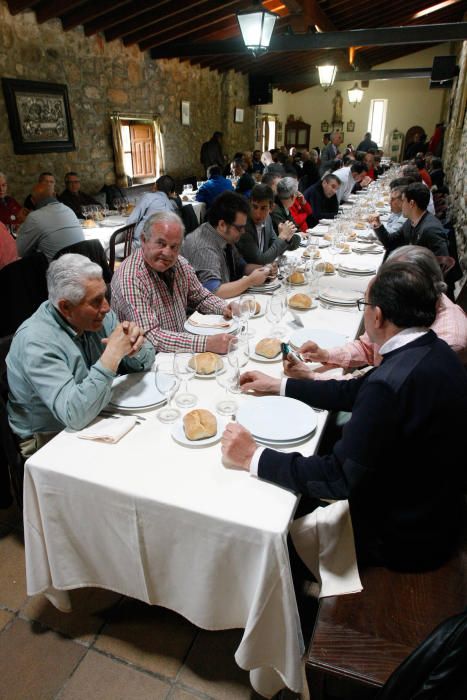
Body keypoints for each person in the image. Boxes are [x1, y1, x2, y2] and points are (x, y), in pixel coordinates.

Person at [221, 262, 467, 571]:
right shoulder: (431, 349)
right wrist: (280, 385)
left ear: (377, 316)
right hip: (436, 509)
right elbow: (354, 392)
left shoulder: (390, 383)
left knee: (270, 517)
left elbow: (336, 478)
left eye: (365, 305)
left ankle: (295, 595)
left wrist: (253, 456)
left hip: (405, 537)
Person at [6, 254, 154, 455]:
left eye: (105, 295)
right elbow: (73, 416)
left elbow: (146, 362)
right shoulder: (36, 341)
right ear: (66, 307)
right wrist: (111, 357)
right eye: (96, 301)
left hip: (96, 412)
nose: (107, 308)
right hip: (49, 437)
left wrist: (135, 348)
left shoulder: (99, 317)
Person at [282, 246, 467, 380]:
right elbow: (368, 348)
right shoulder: (407, 307)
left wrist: (312, 377)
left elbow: (377, 390)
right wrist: (326, 354)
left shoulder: (447, 340)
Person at [111, 211, 235, 354]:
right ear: (144, 240)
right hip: (144, 365)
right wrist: (206, 343)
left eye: (174, 246)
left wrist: (225, 308)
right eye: (161, 243)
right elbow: (150, 337)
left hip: (178, 354)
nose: (168, 253)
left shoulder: (180, 264)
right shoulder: (131, 278)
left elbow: (201, 296)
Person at [182, 191, 270, 299]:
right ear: (222, 224)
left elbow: (240, 266)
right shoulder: (204, 247)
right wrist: (250, 280)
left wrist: (263, 270)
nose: (243, 232)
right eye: (239, 228)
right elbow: (214, 292)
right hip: (202, 312)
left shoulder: (222, 235)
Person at [369, 182, 449, 257]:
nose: (401, 205)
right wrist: (378, 225)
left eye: (403, 201)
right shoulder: (411, 221)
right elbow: (390, 243)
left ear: (411, 203)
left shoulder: (431, 229)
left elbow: (442, 263)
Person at [15, 182, 84, 261]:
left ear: (33, 201)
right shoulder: (68, 210)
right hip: (81, 265)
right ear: (54, 195)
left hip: (56, 270)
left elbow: (17, 251)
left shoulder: (34, 217)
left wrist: (24, 223)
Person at [236, 184, 300, 265]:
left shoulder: (268, 219)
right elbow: (260, 260)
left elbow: (275, 250)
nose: (257, 214)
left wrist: (287, 238)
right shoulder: (244, 225)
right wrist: (282, 237)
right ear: (249, 204)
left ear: (271, 208)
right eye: (255, 207)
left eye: (263, 208)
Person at [127, 174, 180, 245]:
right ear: (170, 192)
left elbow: (131, 220)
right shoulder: (171, 206)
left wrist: (127, 240)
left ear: (155, 185)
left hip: (141, 244)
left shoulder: (148, 197)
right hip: (161, 245)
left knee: (109, 251)